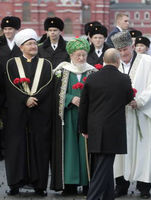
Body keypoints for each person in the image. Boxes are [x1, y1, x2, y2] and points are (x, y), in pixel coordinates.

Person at [111, 31, 151, 199]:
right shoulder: (114, 63)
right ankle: (121, 185)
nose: (123, 53)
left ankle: (144, 186)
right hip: (121, 115)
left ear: (133, 47)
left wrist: (139, 101)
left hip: (141, 114)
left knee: (143, 150)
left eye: (125, 49)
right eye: (119, 50)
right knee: (120, 153)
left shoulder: (147, 61)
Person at [79, 48, 134, 200]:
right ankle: (93, 197)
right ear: (118, 61)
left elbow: (84, 105)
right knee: (104, 166)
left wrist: (83, 128)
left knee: (104, 164)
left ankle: (108, 196)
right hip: (113, 129)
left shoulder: (91, 78)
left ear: (103, 61)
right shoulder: (124, 79)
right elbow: (129, 98)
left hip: (94, 127)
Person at [4, 28, 53, 196]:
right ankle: (15, 184)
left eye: (34, 43)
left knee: (39, 147)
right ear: (21, 47)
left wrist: (35, 98)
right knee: (17, 148)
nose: (33, 46)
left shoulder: (45, 64)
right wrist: (25, 99)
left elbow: (48, 86)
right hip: (18, 114)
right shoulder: (12, 64)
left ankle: (39, 185)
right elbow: (10, 86)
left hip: (39, 112)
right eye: (29, 44)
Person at [51, 37, 97, 195]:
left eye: (84, 55)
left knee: (86, 150)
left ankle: (87, 184)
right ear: (71, 55)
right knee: (69, 149)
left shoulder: (92, 71)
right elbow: (54, 94)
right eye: (78, 55)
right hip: (68, 116)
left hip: (88, 118)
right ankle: (69, 185)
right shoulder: (61, 71)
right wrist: (70, 98)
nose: (81, 58)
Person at [0, 16, 22, 161]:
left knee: (17, 122)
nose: (8, 31)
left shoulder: (22, 45)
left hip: (18, 89)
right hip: (1, 90)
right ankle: (3, 150)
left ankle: (16, 150)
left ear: (16, 30)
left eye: (10, 29)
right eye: (5, 29)